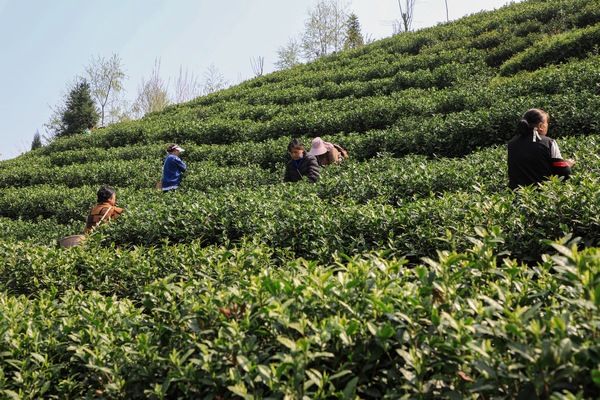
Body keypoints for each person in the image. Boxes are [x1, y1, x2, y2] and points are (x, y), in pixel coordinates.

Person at [507, 108, 575, 190]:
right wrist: (567, 165)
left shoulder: (511, 144)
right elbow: (563, 173)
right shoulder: (548, 142)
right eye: (547, 123)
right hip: (542, 195)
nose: (547, 126)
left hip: (517, 196)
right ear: (540, 126)